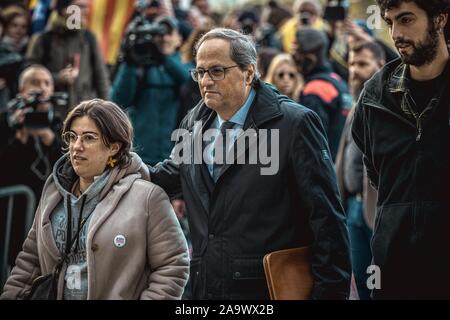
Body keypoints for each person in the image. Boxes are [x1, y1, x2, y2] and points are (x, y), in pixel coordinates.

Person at [149, 28, 351, 300]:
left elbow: (327, 220)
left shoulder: (294, 124)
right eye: (200, 72)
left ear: (248, 72)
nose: (206, 81)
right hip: (207, 288)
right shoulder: (194, 123)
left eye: (217, 71)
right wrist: (115, 166)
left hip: (267, 290)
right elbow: (174, 175)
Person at [0, 99, 189, 300]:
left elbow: (173, 265)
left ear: (114, 147)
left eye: (89, 138)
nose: (76, 146)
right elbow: (30, 259)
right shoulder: (54, 190)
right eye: (72, 137)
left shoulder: (147, 197)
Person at [352, 0, 450, 299]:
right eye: (390, 21)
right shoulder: (375, 97)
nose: (396, 33)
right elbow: (377, 176)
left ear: (439, 19)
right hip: (392, 271)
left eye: (406, 19)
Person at [0, 65, 64, 274]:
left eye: (47, 83)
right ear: (21, 90)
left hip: (45, 210)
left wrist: (50, 140)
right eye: (34, 83)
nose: (42, 88)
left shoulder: (60, 124)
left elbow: (67, 165)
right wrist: (20, 138)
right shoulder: (6, 121)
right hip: (11, 211)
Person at [335, 41, 385, 300]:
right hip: (353, 209)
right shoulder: (356, 104)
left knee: (382, 284)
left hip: (378, 210)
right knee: (361, 283)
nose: (354, 70)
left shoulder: (390, 105)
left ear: (380, 66)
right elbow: (343, 158)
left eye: (362, 64)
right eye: (352, 64)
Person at [111, 16, 191, 166]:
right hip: (142, 155)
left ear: (179, 39)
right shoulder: (139, 64)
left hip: (175, 154)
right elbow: (118, 101)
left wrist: (162, 57)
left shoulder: (185, 65)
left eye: (169, 33)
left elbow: (188, 81)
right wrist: (130, 62)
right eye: (159, 34)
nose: (164, 38)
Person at [27, 0, 110, 118]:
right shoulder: (44, 40)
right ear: (63, 9)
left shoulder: (89, 39)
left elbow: (101, 78)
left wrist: (106, 111)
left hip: (84, 112)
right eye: (79, 7)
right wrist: (56, 78)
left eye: (86, 7)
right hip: (50, 113)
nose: (85, 12)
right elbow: (29, 75)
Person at [294, 27, 352, 161]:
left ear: (310, 56)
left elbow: (312, 143)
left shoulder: (315, 89)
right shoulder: (337, 80)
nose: (294, 57)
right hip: (339, 163)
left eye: (297, 52)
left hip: (324, 168)